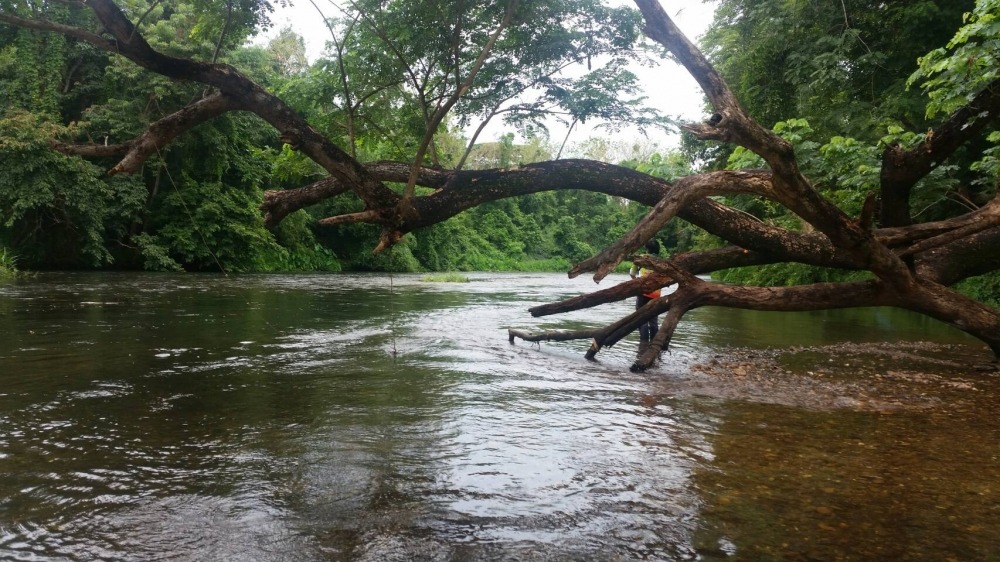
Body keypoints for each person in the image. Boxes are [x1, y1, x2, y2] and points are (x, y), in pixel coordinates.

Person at [629, 239, 661, 342]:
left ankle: (643, 344)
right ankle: (654, 343)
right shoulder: (661, 261)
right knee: (653, 320)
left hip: (642, 291)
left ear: (647, 249)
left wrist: (636, 282)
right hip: (656, 293)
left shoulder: (641, 258)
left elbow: (632, 273)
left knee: (641, 318)